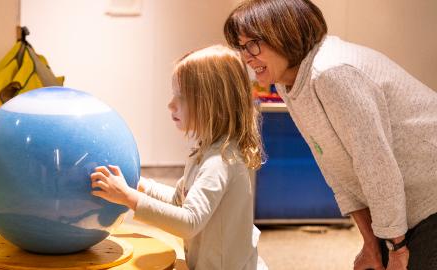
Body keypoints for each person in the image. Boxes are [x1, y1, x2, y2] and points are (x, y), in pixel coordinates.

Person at [223, 0, 437, 270]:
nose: (246, 57)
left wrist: (395, 249)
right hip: (406, 206)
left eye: (252, 44)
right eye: (241, 47)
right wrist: (371, 244)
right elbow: (337, 170)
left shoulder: (332, 73)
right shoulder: (290, 83)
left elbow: (376, 167)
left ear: (285, 33)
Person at [89, 45, 268, 270]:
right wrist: (140, 185)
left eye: (180, 97)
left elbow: (189, 222)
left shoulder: (219, 162)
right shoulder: (206, 151)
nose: (170, 104)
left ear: (213, 104)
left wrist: (128, 197)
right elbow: (179, 200)